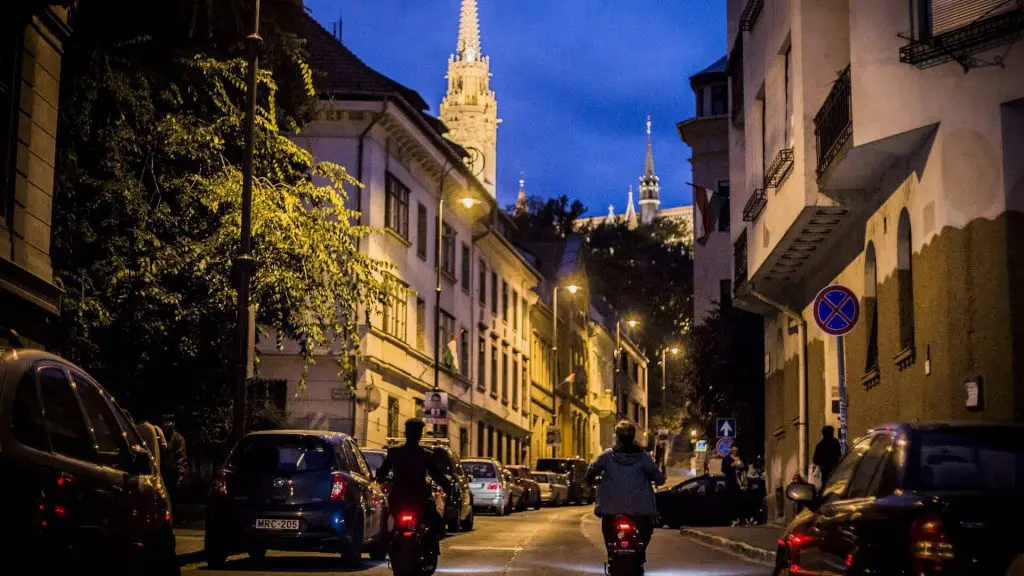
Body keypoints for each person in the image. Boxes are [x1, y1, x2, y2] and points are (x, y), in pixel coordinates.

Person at [585, 420, 665, 564]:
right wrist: (656, 479)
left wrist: (591, 480)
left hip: (611, 508)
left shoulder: (607, 456)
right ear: (633, 436)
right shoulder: (643, 457)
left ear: (617, 436)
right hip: (639, 509)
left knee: (608, 530)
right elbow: (659, 478)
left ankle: (611, 552)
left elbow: (590, 472)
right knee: (646, 530)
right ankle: (640, 554)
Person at [376, 418, 450, 558]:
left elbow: (382, 473)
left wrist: (380, 480)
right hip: (420, 498)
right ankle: (431, 550)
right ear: (420, 435)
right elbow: (437, 476)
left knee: (388, 523)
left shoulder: (394, 453)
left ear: (406, 434)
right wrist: (446, 487)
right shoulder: (427, 455)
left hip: (399, 497)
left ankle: (386, 545)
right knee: (436, 524)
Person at [160, 414, 188, 501]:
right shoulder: (161, 437)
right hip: (162, 474)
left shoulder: (178, 439)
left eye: (167, 421)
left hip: (172, 475)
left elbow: (181, 458)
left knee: (172, 501)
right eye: (164, 421)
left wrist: (180, 475)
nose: (165, 424)